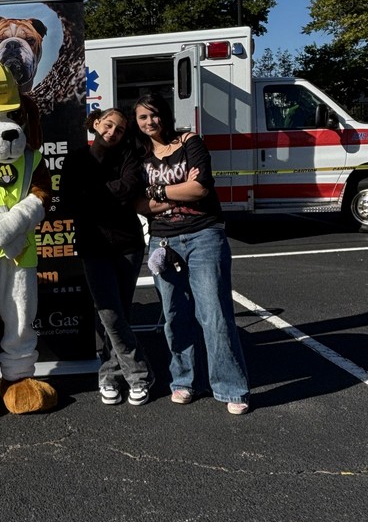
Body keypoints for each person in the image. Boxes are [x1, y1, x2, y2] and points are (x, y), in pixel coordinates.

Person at [133, 93, 250, 416]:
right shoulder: (138, 154)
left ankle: (230, 387)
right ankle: (184, 381)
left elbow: (201, 188)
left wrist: (158, 193)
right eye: (143, 117)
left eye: (154, 115)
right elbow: (139, 204)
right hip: (163, 243)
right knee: (174, 315)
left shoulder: (189, 142)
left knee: (213, 314)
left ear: (165, 115)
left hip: (204, 235)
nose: (149, 122)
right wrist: (177, 191)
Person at [61, 108, 154, 406]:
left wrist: (91, 196)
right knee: (109, 314)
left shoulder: (128, 156)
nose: (113, 132)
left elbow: (131, 187)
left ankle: (109, 375)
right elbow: (67, 200)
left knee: (120, 314)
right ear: (96, 122)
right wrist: (108, 196)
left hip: (128, 245)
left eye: (120, 129)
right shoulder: (76, 158)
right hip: (93, 246)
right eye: (109, 125)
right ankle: (139, 374)